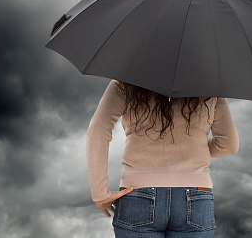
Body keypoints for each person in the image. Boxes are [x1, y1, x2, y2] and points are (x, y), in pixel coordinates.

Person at [86, 79, 239, 237]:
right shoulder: (211, 89)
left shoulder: (124, 83)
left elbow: (98, 129)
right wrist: (193, 149)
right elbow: (229, 145)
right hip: (196, 196)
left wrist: (100, 194)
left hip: (137, 193)